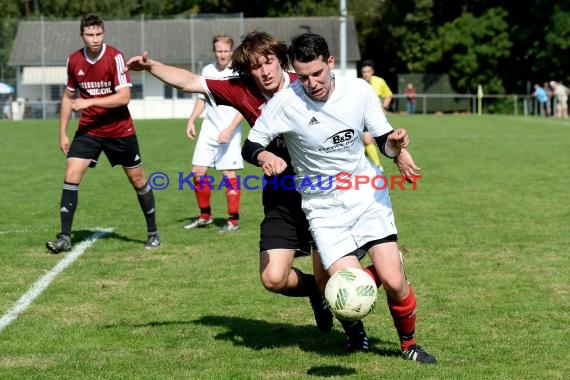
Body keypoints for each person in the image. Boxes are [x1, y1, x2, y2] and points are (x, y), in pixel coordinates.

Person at [124, 31, 421, 350]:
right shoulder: (246, 92)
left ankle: (359, 330)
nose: (265, 71)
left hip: (337, 190)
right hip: (287, 194)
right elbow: (191, 82)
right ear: (247, 71)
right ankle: (323, 295)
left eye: (269, 62)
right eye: (256, 66)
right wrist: (152, 65)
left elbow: (373, 128)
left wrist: (396, 149)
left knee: (340, 280)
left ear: (282, 61)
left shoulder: (307, 76)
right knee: (279, 278)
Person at [243, 33, 436, 364]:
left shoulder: (358, 92)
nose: (312, 83)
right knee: (341, 287)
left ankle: (409, 345)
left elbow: (383, 141)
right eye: (303, 76)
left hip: (365, 194)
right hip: (323, 208)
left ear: (330, 63)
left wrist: (397, 147)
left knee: (393, 280)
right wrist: (264, 158)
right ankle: (354, 332)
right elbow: (251, 144)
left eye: (317, 73)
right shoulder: (285, 103)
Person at [46, 14, 160, 253]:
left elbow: (124, 97)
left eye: (98, 34)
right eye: (90, 35)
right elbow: (68, 97)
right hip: (89, 130)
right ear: (82, 36)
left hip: (120, 130)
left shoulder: (115, 58)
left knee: (138, 180)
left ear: (103, 33)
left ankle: (152, 232)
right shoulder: (74, 61)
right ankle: (65, 237)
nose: (95, 39)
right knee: (71, 173)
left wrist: (89, 102)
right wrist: (62, 133)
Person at [183, 34, 244, 233]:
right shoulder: (207, 71)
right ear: (214, 51)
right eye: (219, 51)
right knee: (197, 173)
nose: (222, 54)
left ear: (231, 52)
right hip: (209, 129)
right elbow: (202, 99)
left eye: (226, 51)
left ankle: (233, 220)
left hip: (230, 131)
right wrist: (192, 120)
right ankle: (205, 216)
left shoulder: (238, 72)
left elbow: (244, 106)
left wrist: (228, 130)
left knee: (228, 174)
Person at [360, 59, 393, 169]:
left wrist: (384, 107)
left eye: (368, 71)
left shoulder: (379, 81)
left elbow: (388, 94)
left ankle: (378, 166)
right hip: (361, 118)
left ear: (372, 71)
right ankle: (367, 166)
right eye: (364, 72)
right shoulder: (358, 83)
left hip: (375, 117)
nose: (366, 74)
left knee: (367, 139)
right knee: (364, 142)